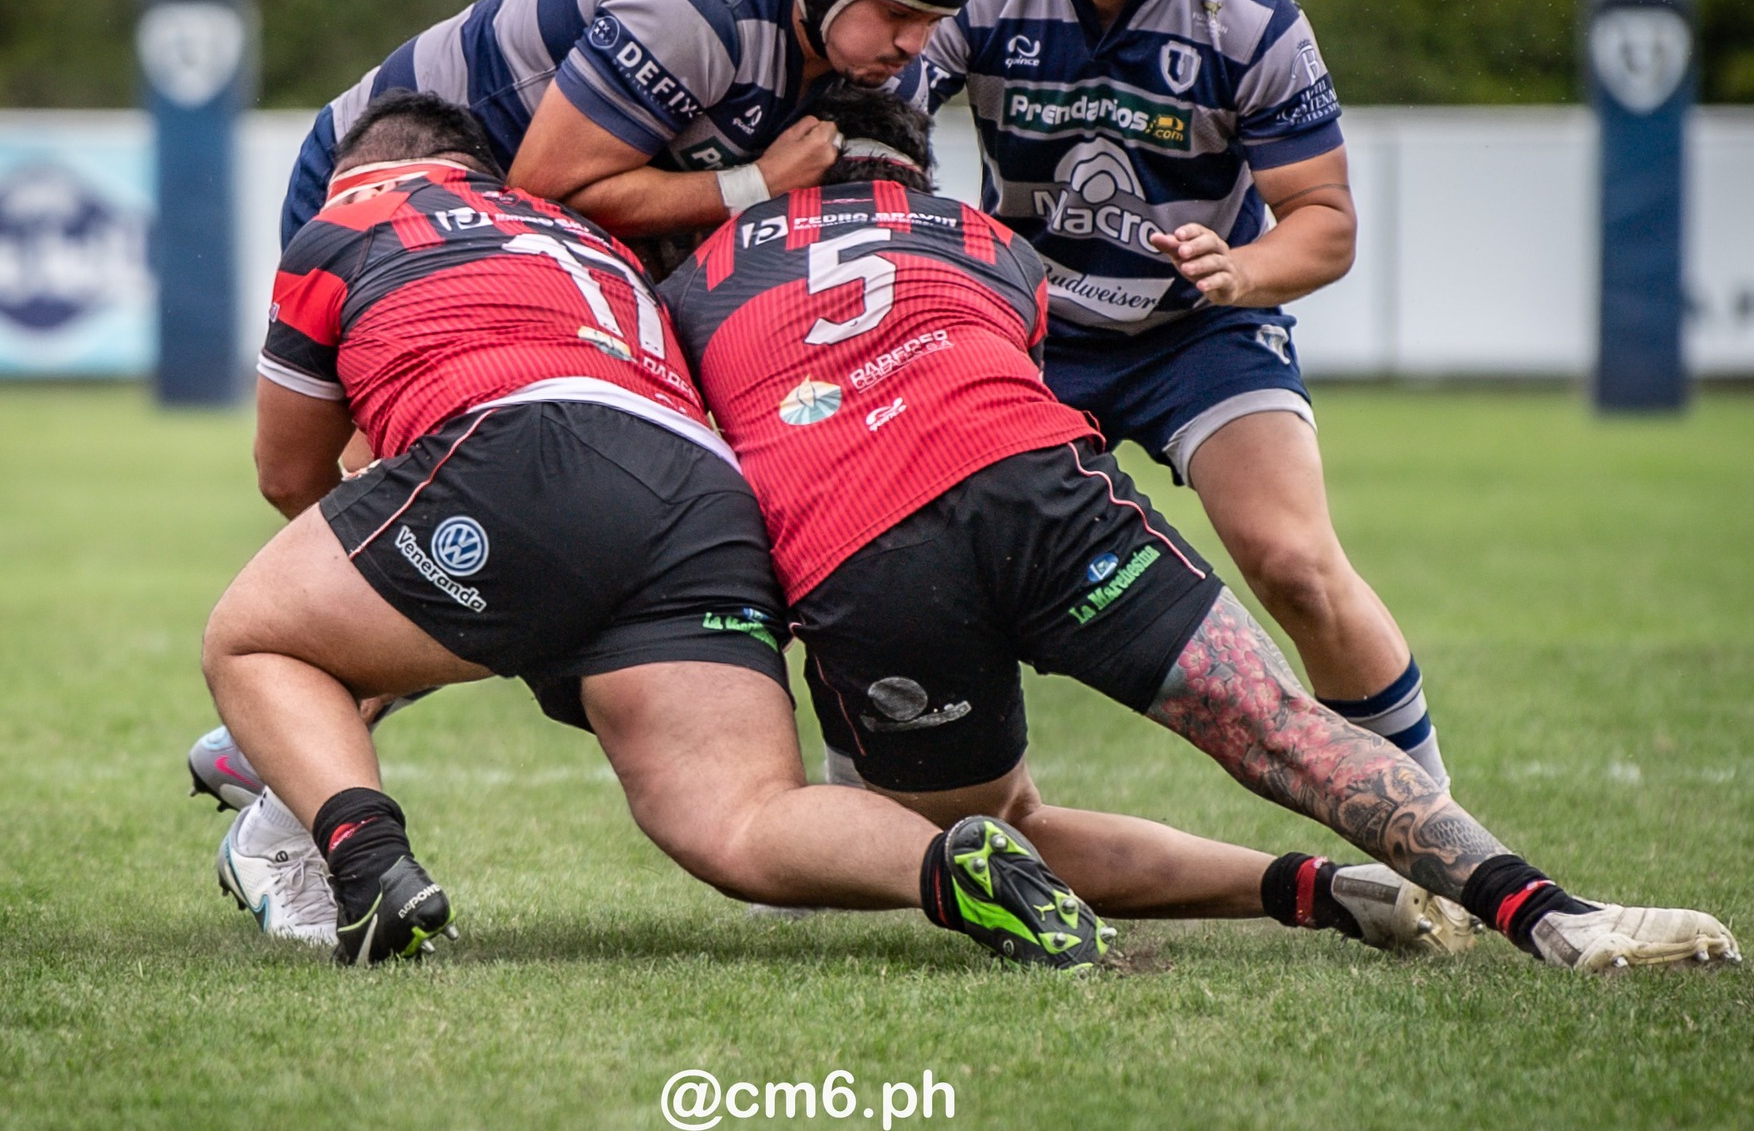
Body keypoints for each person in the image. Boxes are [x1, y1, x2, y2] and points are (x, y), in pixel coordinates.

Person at [657, 83, 1741, 972]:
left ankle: (1306, 889)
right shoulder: (989, 240)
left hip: (860, 548)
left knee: (980, 832)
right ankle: (1555, 912)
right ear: (915, 163)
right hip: (1032, 483)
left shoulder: (694, 280)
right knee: (1272, 720)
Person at [198, 88, 1113, 969]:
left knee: (253, 640)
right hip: (702, 493)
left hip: (529, 444)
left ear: (361, 174)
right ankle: (944, 863)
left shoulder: (351, 220)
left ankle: (365, 864)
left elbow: (287, 474)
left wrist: (380, 614)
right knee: (743, 820)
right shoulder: (589, 239)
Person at [897, 0, 1453, 786]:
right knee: (913, 557)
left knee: (1294, 564)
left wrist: (1239, 270)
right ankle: (863, 827)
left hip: (1194, 329)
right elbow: (876, 123)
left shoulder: (1248, 16)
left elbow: (1324, 226)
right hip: (1024, 329)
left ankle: (1434, 835)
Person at [278, 0, 986, 251]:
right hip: (379, 174)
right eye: (897, 14)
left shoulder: (877, 62)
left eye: (935, 20)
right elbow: (544, 191)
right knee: (346, 475)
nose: (915, 46)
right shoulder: (698, 8)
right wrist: (759, 185)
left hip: (511, 222)